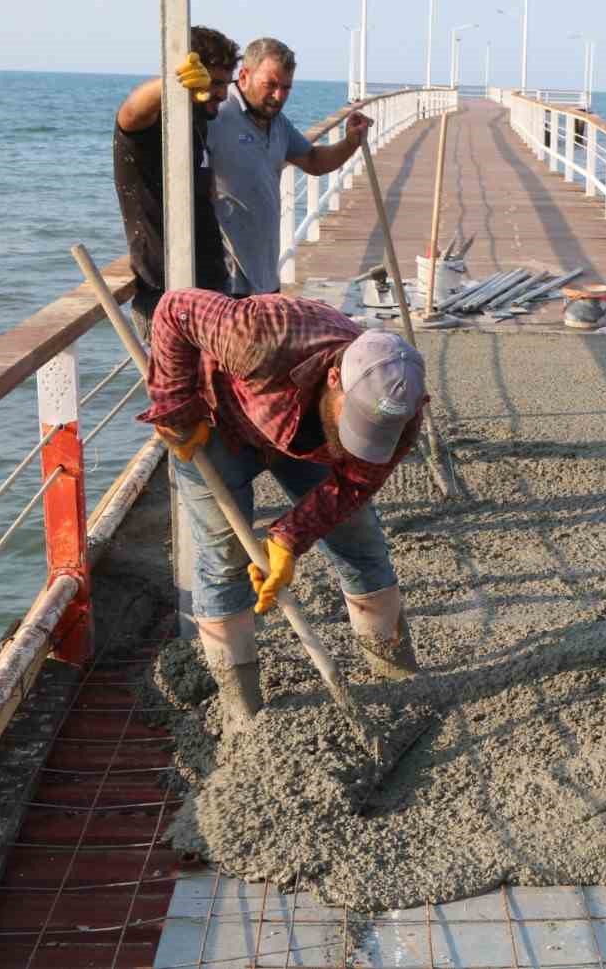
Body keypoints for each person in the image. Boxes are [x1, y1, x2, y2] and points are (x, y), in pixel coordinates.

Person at [138, 289, 428, 731]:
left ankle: (394, 677)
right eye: (357, 422)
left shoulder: (401, 407)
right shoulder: (260, 335)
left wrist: (288, 539)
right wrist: (177, 405)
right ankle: (242, 710)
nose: (364, 438)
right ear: (335, 379)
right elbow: (174, 310)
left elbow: (355, 483)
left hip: (307, 445)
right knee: (224, 556)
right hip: (219, 421)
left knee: (360, 540)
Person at [207, 37, 373, 297]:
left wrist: (350, 141)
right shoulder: (215, 114)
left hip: (265, 277)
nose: (278, 96)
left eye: (286, 88)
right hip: (225, 282)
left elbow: (314, 161)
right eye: (270, 85)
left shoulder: (277, 122)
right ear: (243, 76)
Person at [112, 25, 241, 339]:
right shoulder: (153, 127)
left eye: (227, 83)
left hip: (212, 288)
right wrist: (171, 83)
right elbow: (130, 114)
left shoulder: (197, 122)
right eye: (214, 82)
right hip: (166, 298)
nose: (223, 94)